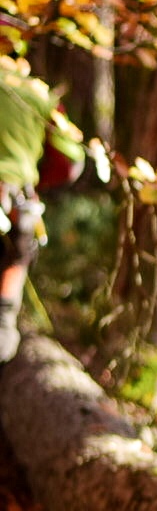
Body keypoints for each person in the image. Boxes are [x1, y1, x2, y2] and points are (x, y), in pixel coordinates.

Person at [0, 56, 87, 362]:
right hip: (16, 199)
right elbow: (71, 161)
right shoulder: (38, 94)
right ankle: (4, 323)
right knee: (15, 258)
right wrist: (38, 182)